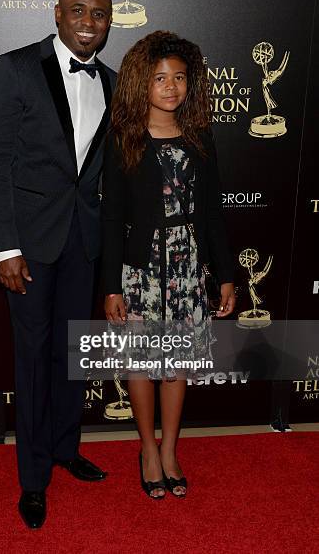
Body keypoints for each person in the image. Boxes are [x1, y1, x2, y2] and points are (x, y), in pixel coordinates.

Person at [0, 0, 116, 528]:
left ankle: (65, 448)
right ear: (57, 12)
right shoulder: (15, 68)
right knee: (34, 361)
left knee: (71, 355)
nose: (89, 23)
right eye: (79, 11)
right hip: (29, 248)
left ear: (111, 21)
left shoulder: (110, 80)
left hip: (82, 242)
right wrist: (5, 247)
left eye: (100, 14)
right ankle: (33, 479)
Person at [102, 31, 235, 499]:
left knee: (177, 363)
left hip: (187, 268)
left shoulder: (200, 138)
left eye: (179, 77)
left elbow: (213, 212)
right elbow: (112, 217)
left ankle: (172, 449)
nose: (171, 86)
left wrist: (226, 275)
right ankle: (147, 449)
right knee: (141, 364)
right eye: (161, 77)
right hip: (140, 272)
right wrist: (111, 286)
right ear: (142, 82)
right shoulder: (125, 139)